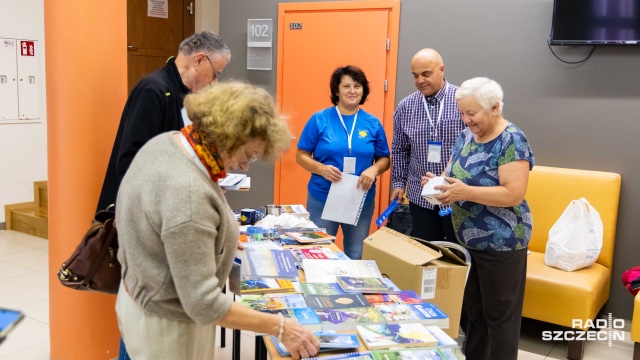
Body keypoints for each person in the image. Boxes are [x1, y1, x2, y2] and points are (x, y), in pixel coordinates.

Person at [115, 81, 321, 360]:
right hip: (167, 327)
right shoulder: (189, 194)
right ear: (227, 135)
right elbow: (203, 304)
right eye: (248, 154)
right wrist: (281, 326)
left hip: (140, 297)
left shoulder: (169, 142)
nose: (246, 166)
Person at [422, 77, 534, 360]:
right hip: (468, 240)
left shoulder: (512, 140)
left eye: (471, 113)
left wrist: (465, 192)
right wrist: (439, 184)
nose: (466, 120)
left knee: (499, 320)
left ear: (495, 107)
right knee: (475, 316)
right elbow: (454, 174)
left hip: (502, 244)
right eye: (462, 113)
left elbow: (513, 194)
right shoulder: (466, 135)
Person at [97, 31, 231, 212]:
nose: (214, 83)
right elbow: (132, 160)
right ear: (199, 60)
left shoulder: (185, 94)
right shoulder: (153, 90)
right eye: (216, 74)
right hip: (138, 209)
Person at [296, 65, 390, 260]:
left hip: (359, 199)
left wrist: (374, 169)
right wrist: (320, 168)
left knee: (356, 254)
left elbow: (385, 159)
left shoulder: (372, 123)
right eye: (346, 86)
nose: (352, 91)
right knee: (318, 252)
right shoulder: (319, 119)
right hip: (322, 197)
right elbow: (301, 155)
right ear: (336, 90)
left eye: (357, 86)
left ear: (363, 90)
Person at [390, 48, 465, 243]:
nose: (420, 80)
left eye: (426, 74)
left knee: (457, 256)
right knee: (427, 256)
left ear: (442, 70)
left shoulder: (463, 101)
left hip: (456, 197)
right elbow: (400, 149)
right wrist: (399, 183)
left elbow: (473, 148)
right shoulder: (405, 107)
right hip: (419, 197)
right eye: (415, 75)